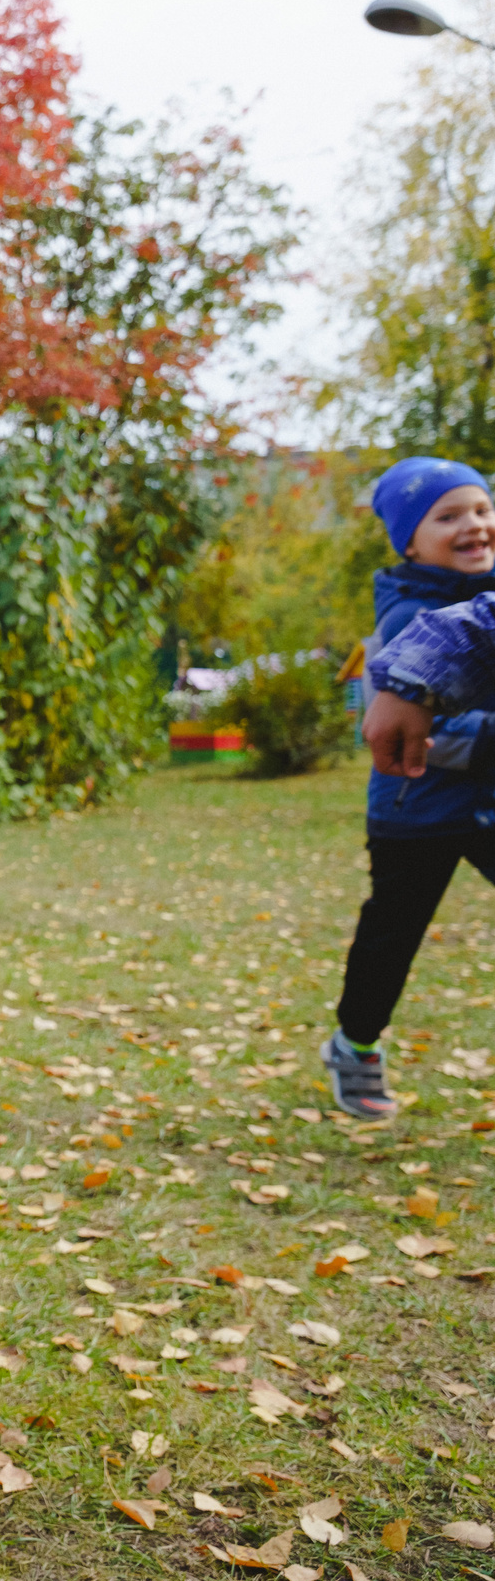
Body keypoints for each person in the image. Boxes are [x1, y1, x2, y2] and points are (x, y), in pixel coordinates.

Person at [328, 458, 495, 1119]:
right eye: (448, 515)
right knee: (391, 936)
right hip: (414, 810)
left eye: (481, 509)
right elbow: (431, 733)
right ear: (408, 540)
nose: (473, 525)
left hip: (485, 805)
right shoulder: (407, 621)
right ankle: (356, 1042)